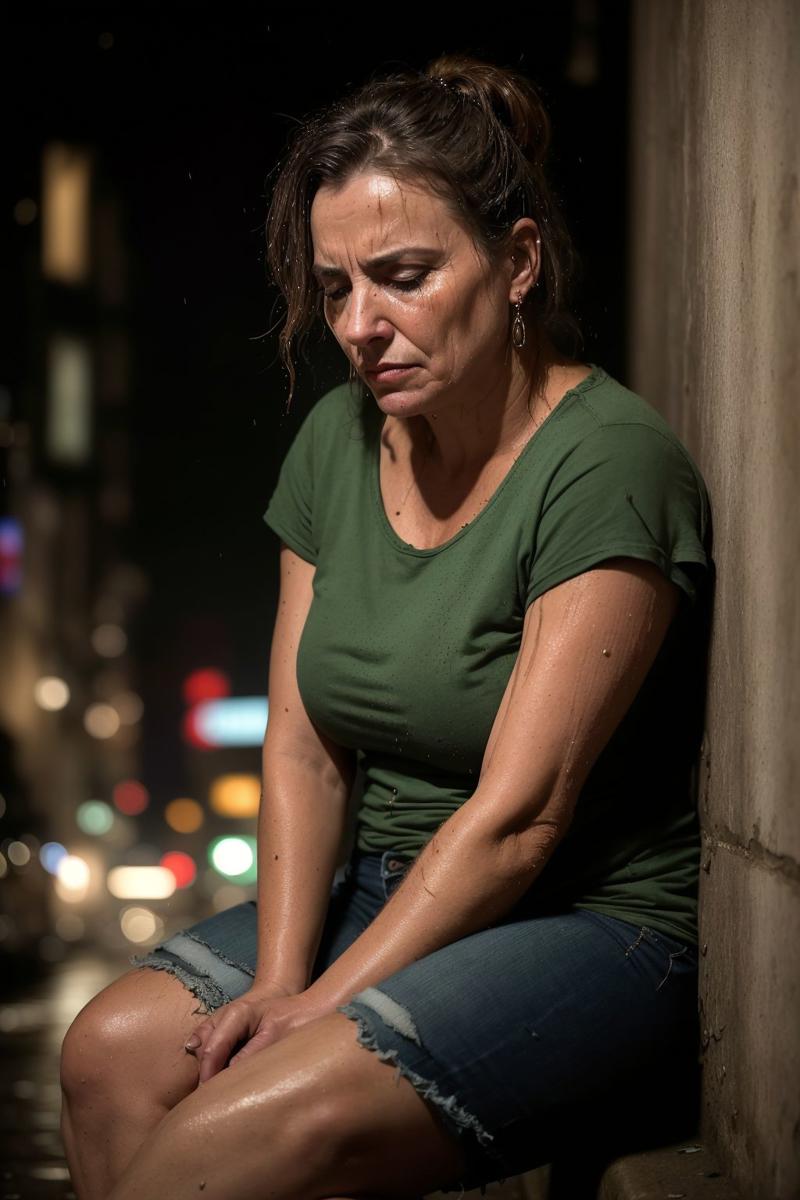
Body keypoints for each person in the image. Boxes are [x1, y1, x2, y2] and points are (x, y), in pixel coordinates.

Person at [59, 54, 714, 1200]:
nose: (361, 326)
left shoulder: (608, 463)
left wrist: (322, 1008)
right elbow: (306, 745)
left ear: (515, 262)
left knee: (220, 1143)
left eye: (402, 276)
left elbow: (520, 819)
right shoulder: (334, 439)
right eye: (334, 288)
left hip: (585, 926)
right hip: (378, 877)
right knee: (107, 1057)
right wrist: (275, 978)